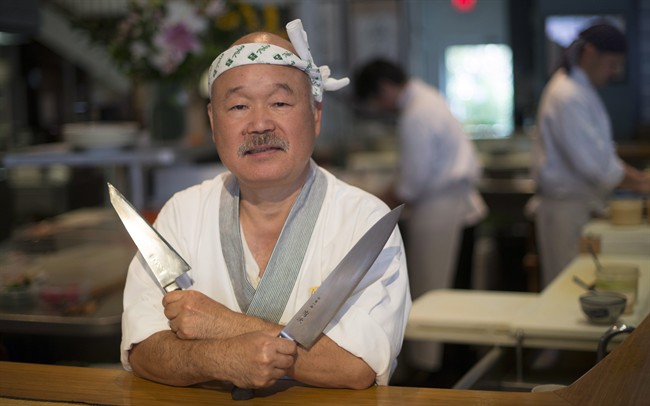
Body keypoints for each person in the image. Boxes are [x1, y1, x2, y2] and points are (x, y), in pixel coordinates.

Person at [120, 20, 411, 390]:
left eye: (280, 102)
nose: (259, 123)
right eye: (239, 105)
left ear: (316, 114)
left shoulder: (364, 221)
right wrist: (222, 358)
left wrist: (224, 326)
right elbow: (143, 348)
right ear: (213, 122)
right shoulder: (183, 212)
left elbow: (356, 367)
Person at [353, 59, 486, 375]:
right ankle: (455, 365)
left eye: (376, 100)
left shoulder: (416, 115)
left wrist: (374, 200)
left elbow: (411, 184)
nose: (380, 108)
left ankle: (443, 373)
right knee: (453, 294)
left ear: (384, 88)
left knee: (440, 296)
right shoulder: (426, 98)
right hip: (452, 209)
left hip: (443, 214)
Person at [529, 22, 650, 288]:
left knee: (577, 286)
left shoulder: (580, 90)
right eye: (611, 64)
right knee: (567, 288)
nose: (613, 72)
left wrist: (640, 180)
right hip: (565, 210)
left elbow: (604, 156)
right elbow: (597, 166)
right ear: (590, 53)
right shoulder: (567, 95)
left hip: (579, 205)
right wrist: (643, 183)